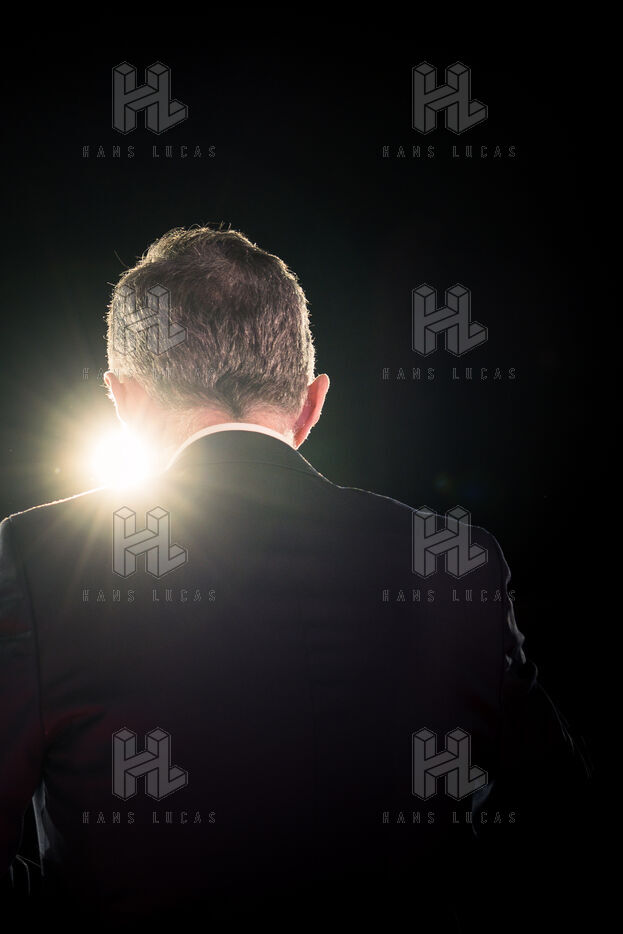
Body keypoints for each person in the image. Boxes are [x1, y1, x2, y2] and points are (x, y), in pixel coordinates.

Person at [0, 226, 588, 927]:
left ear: (123, 401)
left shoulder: (38, 559)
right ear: (311, 404)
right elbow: (560, 828)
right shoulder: (461, 563)